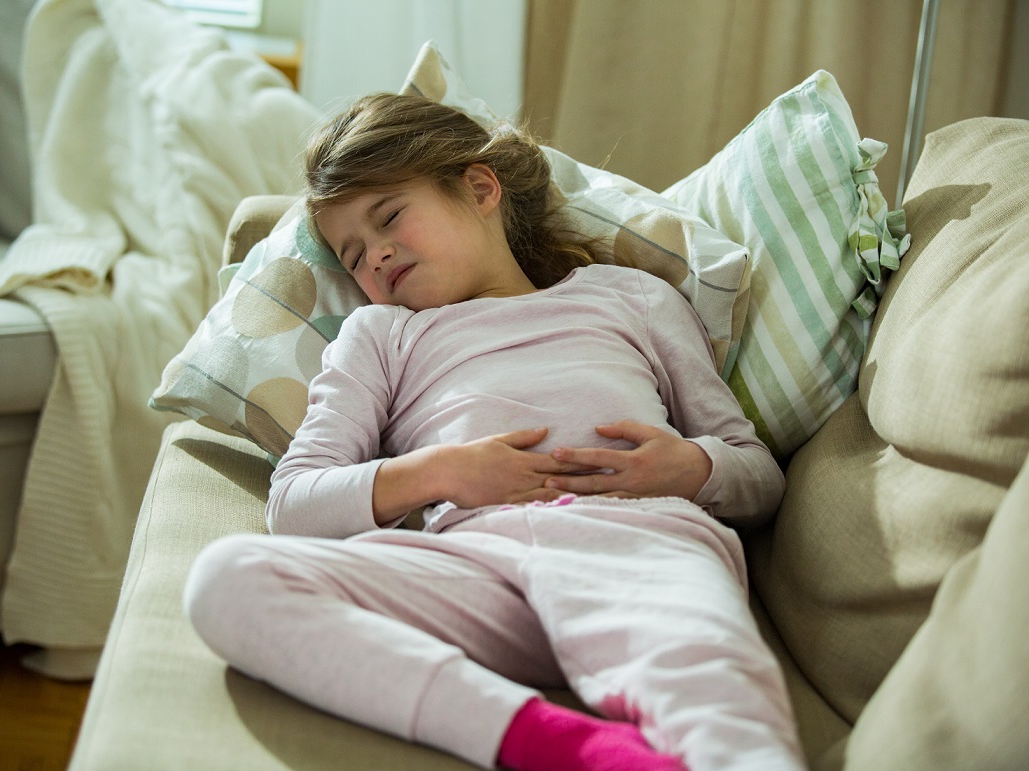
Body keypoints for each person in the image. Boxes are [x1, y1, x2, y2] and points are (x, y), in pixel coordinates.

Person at [184, 92, 805, 771]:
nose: (377, 255)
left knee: (727, 713)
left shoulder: (630, 297)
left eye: (389, 215)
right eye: (353, 254)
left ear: (479, 188)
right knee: (226, 577)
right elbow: (293, 503)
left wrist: (686, 467)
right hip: (474, 569)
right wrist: (440, 474)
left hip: (638, 548)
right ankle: (554, 744)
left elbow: (759, 474)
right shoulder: (380, 334)